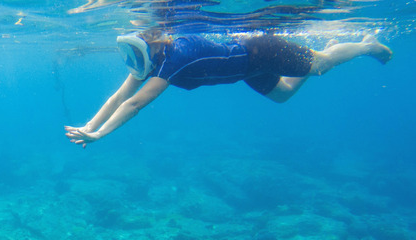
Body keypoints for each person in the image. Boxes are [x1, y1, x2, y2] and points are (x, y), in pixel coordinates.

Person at [64, 29, 393, 147]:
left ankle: (366, 45)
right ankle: (323, 54)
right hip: (248, 68)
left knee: (320, 66)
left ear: (154, 46)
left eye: (137, 54)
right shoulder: (151, 62)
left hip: (262, 51)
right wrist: (89, 126)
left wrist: (100, 135)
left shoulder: (175, 59)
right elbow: (119, 96)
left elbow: (134, 105)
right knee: (282, 95)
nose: (134, 63)